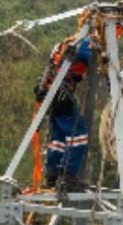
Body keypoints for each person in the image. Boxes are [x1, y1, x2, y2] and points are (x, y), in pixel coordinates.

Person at [34, 36, 92, 191]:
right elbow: (87, 56)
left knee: (58, 138)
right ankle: (68, 174)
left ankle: (52, 175)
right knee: (79, 134)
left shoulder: (67, 43)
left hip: (52, 94)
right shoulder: (87, 43)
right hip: (61, 94)